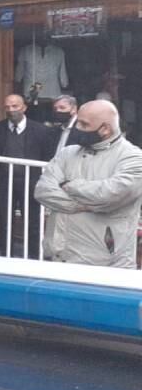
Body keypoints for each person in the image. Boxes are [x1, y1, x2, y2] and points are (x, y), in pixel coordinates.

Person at [34, 100, 142, 268]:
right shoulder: (67, 153)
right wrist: (82, 205)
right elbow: (42, 191)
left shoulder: (133, 157)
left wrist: (71, 186)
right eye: (77, 121)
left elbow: (111, 195)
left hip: (107, 263)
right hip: (58, 256)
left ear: (105, 129)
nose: (77, 128)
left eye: (84, 124)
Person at [0, 94, 57, 258]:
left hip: (32, 183)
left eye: (15, 106)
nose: (11, 110)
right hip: (4, 183)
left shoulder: (41, 131)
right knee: (5, 222)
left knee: (33, 222)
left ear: (24, 108)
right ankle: (6, 257)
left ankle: (33, 257)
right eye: (7, 107)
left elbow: (48, 156)